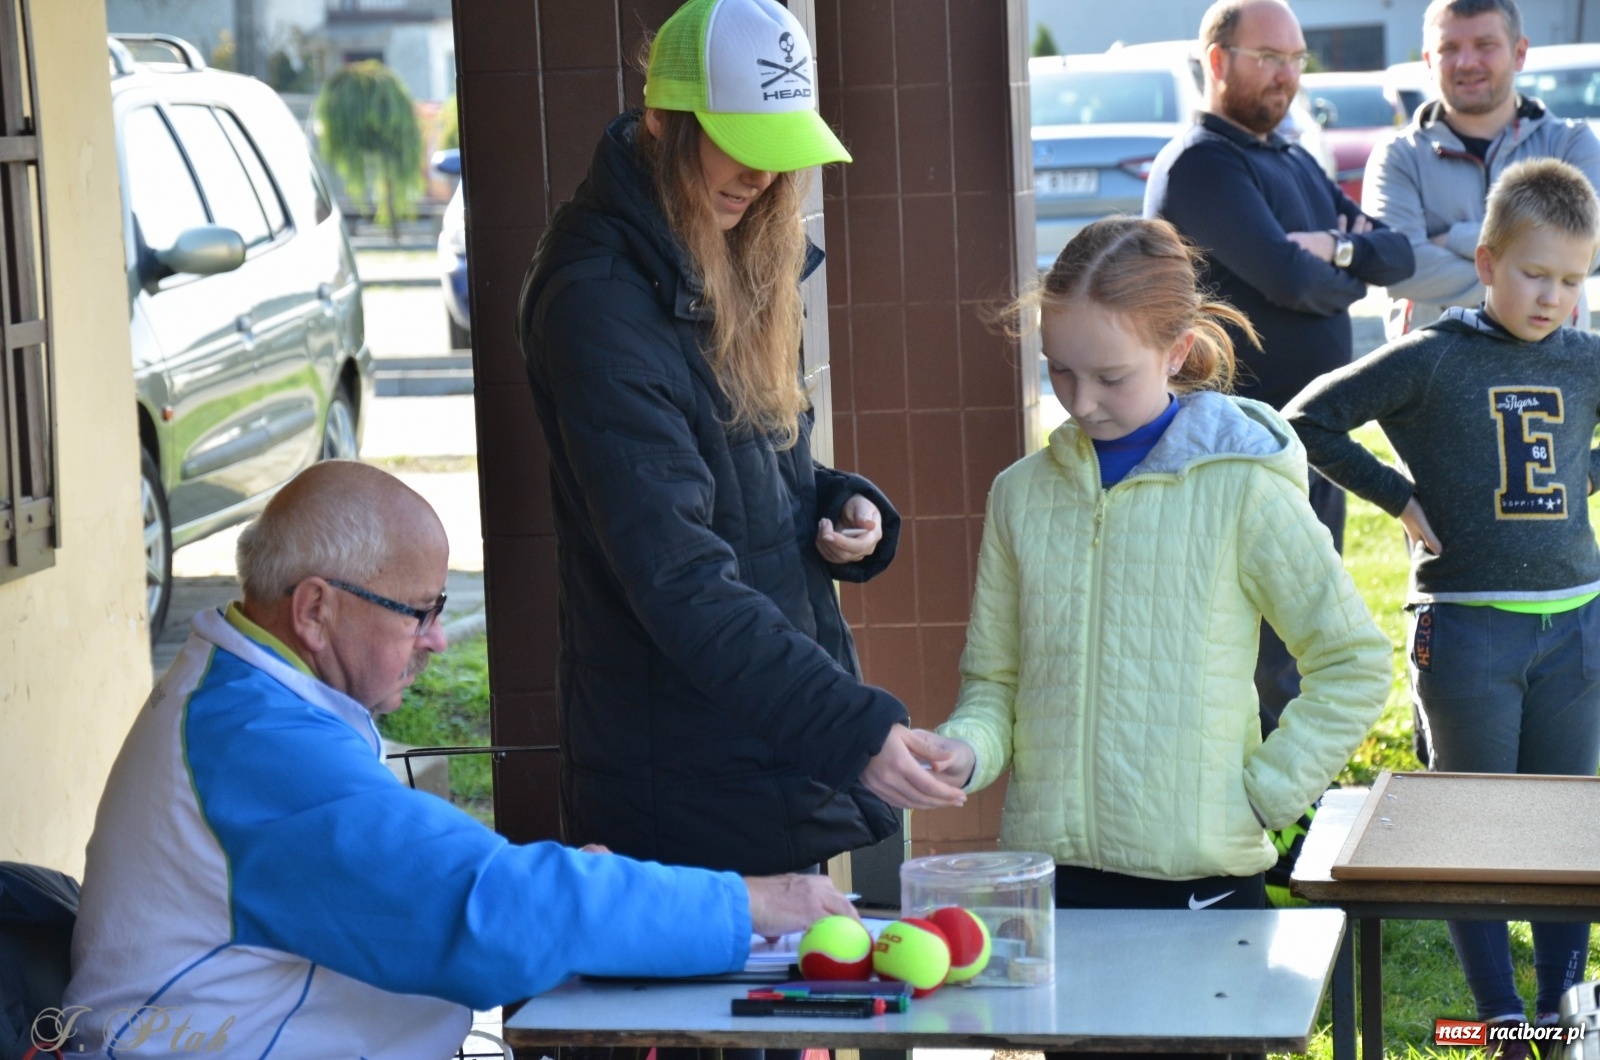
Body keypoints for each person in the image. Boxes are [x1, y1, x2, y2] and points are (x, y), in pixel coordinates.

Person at [60, 461, 856, 1059]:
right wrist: (752, 903)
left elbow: (456, 893)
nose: (438, 639)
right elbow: (488, 912)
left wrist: (572, 901)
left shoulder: (242, 699)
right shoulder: (255, 744)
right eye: (421, 611)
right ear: (314, 610)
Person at [879, 218, 1389, 1060]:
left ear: (1179, 352)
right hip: (1058, 892)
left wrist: (1261, 795)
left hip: (1202, 890)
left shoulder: (1244, 492)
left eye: (1110, 376)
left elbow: (1353, 662)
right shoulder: (1020, 495)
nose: (1080, 402)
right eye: (1059, 371)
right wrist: (964, 753)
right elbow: (995, 686)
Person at [514, 0, 964, 884]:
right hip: (680, 780)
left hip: (761, 752)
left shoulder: (728, 246)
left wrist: (832, 500)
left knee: (794, 1015)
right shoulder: (599, 298)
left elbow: (733, 464)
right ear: (659, 122)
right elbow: (674, 568)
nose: (763, 172)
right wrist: (848, 726)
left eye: (781, 143)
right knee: (722, 1023)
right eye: (738, 138)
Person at [1285, 158, 1600, 1047]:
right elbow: (1307, 418)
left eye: (1573, 280)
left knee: (1567, 824)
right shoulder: (1432, 358)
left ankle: (1563, 1010)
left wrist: (1584, 478)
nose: (1551, 296)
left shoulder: (1585, 358)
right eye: (1535, 273)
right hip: (1466, 633)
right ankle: (1500, 1015)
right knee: (1476, 823)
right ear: (1490, 260)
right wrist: (1396, 496)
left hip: (1578, 627)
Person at [1144, 0, 1414, 743]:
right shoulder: (1202, 165)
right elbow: (1289, 281)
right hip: (1238, 449)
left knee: (1302, 633)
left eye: (1298, 60)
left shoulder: (1291, 157)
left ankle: (1295, 802)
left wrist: (1333, 251)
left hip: (1307, 440)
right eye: (1270, 58)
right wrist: (1333, 258)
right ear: (1218, 59)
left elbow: (1396, 256)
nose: (1288, 77)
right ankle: (1252, 804)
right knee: (1253, 646)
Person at [1363, 0, 1600, 344]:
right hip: (1433, 375)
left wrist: (1453, 237)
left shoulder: (1570, 144)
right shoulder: (1398, 157)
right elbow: (1398, 268)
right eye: (1450, 48)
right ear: (1429, 60)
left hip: (1549, 369)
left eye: (1485, 45)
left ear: (1519, 52)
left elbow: (1589, 250)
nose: (1466, 62)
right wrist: (1536, 268)